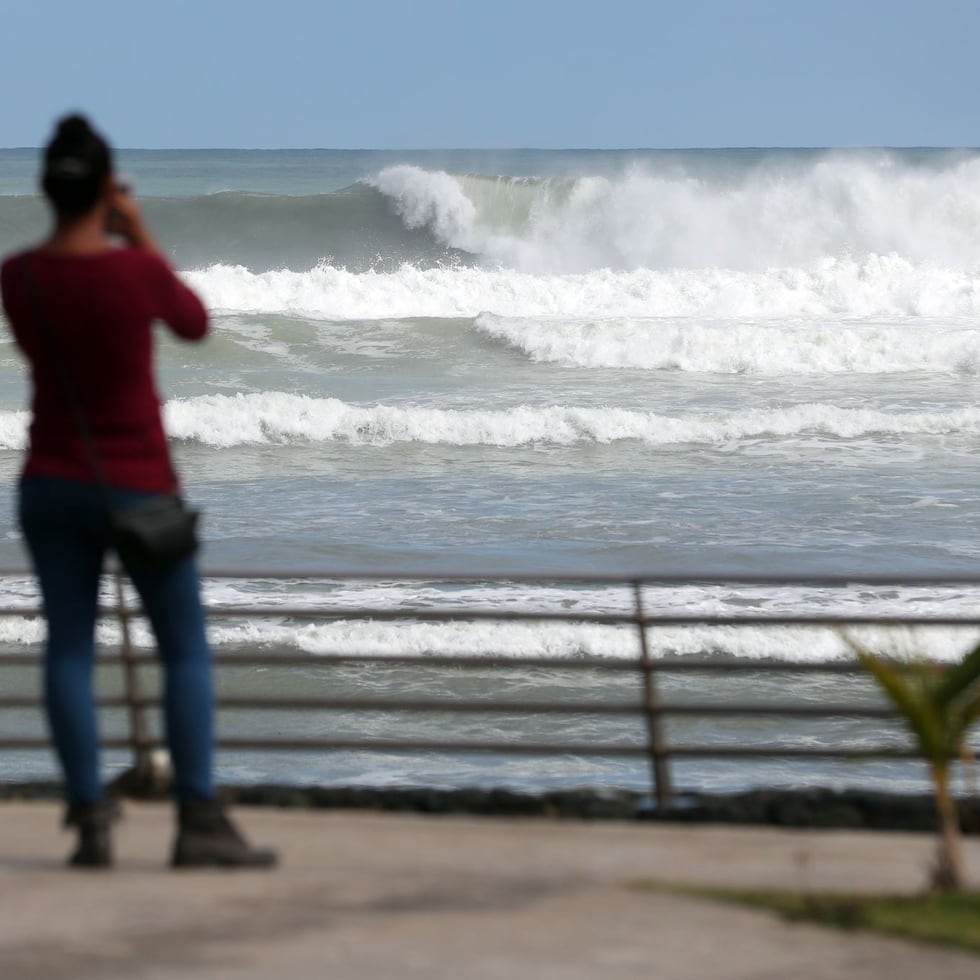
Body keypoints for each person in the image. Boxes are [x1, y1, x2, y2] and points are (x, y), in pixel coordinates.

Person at [0, 114, 276, 869]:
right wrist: (140, 231)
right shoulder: (134, 271)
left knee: (68, 651)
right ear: (106, 190)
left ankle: (90, 817)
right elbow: (192, 323)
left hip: (50, 483)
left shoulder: (17, 276)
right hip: (139, 487)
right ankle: (196, 820)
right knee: (184, 651)